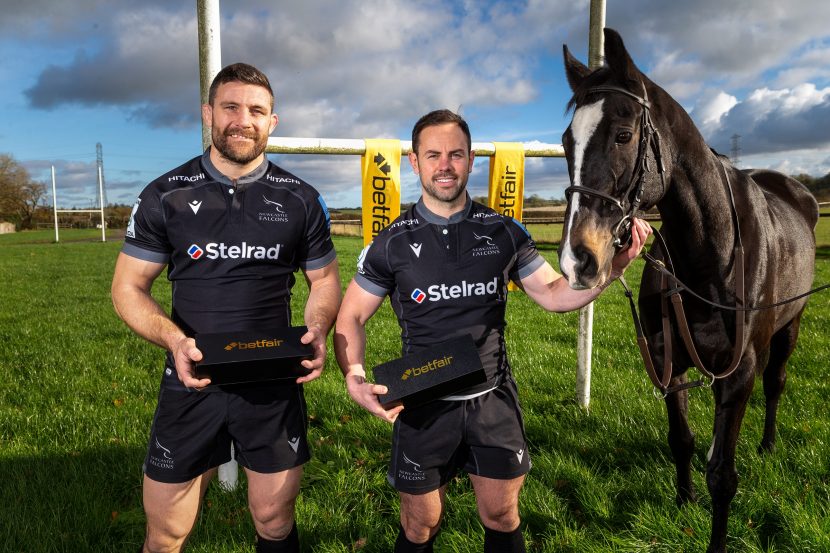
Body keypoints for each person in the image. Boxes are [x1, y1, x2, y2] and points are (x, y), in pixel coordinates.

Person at [333, 109, 651, 552]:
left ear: (471, 160)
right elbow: (350, 318)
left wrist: (615, 267)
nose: (445, 165)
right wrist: (354, 376)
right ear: (414, 162)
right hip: (423, 405)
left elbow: (556, 295)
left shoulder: (504, 232)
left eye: (456, 155)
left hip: (493, 401)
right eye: (433, 155)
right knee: (420, 524)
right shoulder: (390, 243)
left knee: (501, 516)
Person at [111, 63, 341, 553]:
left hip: (273, 380)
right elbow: (128, 287)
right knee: (167, 531)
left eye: (257, 110)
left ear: (272, 121)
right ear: (208, 113)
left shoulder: (301, 199)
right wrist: (174, 341)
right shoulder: (165, 195)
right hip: (193, 380)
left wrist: (318, 328)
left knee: (274, 518)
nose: (243, 119)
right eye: (231, 106)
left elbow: (323, 281)